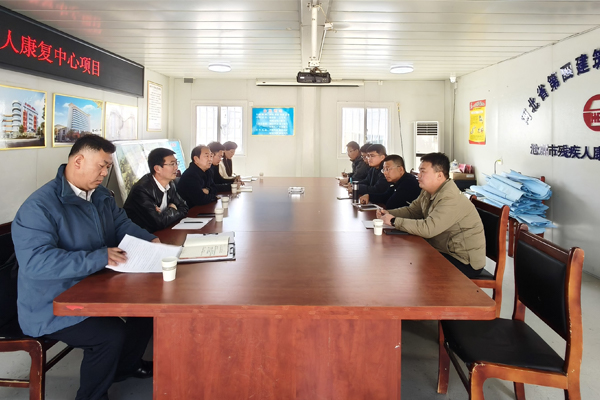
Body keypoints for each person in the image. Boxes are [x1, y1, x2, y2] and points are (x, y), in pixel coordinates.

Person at [12, 134, 157, 400]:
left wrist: (152, 241)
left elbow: (121, 225)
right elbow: (36, 263)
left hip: (94, 285)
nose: (105, 173)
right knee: (109, 335)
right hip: (51, 302)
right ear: (78, 161)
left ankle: (124, 367)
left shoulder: (100, 195)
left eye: (108, 167)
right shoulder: (39, 207)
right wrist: (99, 258)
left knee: (148, 309)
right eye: (101, 166)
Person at [377, 152, 486, 278]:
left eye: (423, 171)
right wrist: (388, 213)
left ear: (439, 175)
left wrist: (393, 221)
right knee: (405, 256)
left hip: (462, 260)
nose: (419, 175)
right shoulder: (428, 191)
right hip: (442, 249)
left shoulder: (450, 197)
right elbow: (412, 211)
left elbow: (428, 229)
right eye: (419, 171)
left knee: (411, 263)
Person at [123, 147, 189, 232]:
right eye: (172, 164)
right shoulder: (142, 190)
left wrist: (165, 213)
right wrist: (172, 209)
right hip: (138, 235)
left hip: (161, 232)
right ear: (157, 169)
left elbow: (184, 207)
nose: (176, 167)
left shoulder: (170, 183)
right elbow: (158, 222)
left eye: (176, 163)